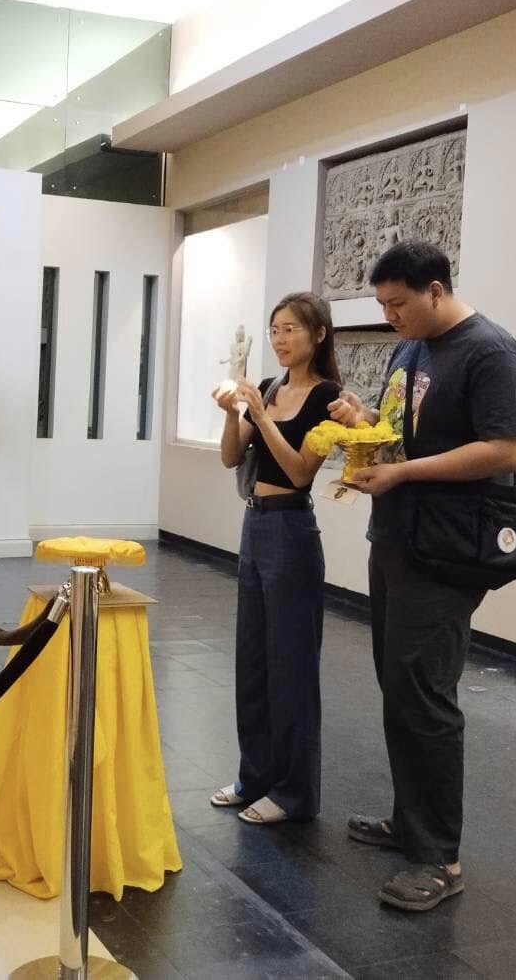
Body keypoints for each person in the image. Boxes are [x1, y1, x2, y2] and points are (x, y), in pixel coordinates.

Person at [328, 241, 516, 912]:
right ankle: (410, 821)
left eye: (398, 304)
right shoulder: (410, 350)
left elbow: (507, 448)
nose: (390, 317)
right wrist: (363, 422)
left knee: (425, 693)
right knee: (399, 687)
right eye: (383, 305)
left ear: (436, 290)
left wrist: (405, 473)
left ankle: (440, 857)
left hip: (448, 549)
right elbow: (400, 433)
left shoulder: (490, 352)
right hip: (398, 539)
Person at [209, 292, 342, 826]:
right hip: (256, 523)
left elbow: (300, 471)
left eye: (291, 329)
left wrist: (262, 418)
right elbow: (230, 457)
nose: (280, 340)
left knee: (291, 665)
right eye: (275, 330)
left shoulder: (327, 396)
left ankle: (293, 793)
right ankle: (255, 776)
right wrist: (233, 414)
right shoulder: (268, 387)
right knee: (253, 661)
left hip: (291, 528)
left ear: (318, 335)